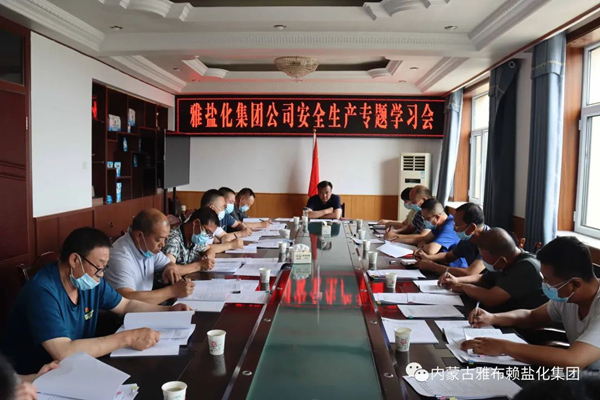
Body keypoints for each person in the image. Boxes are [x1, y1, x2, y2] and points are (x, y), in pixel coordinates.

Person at [2, 227, 191, 374]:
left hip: (78, 366)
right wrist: (128, 338)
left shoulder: (90, 280)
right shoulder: (42, 291)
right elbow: (63, 352)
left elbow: (125, 304)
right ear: (75, 260)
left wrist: (168, 311)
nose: (101, 275)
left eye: (104, 268)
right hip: (36, 378)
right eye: (99, 267)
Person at [462, 237, 600, 369]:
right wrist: (492, 318)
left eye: (548, 281)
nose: (545, 284)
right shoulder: (568, 295)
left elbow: (574, 360)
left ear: (575, 284)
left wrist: (504, 347)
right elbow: (531, 317)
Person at [440, 228, 547, 312]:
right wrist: (457, 280)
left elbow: (490, 299)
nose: (483, 260)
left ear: (502, 260)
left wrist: (463, 287)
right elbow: (483, 278)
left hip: (524, 326)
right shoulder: (505, 261)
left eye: (484, 257)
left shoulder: (527, 267)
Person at [104, 209, 196, 305]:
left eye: (165, 239)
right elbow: (126, 299)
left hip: (145, 307)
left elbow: (168, 263)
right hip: (128, 312)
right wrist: (172, 291)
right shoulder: (120, 257)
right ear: (139, 236)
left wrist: (171, 268)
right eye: (159, 239)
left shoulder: (147, 248)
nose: (163, 244)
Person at [415, 202, 488, 276]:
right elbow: (448, 257)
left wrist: (433, 267)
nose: (454, 229)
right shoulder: (467, 237)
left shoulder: (490, 241)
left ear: (472, 227)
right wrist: (428, 257)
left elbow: (470, 272)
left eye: (457, 225)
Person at [412, 198, 465, 268]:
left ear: (437, 217)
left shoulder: (449, 227)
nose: (424, 221)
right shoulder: (439, 225)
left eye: (427, 219)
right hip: (440, 264)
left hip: (454, 268)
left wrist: (423, 247)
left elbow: (430, 250)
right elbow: (424, 240)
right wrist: (424, 246)